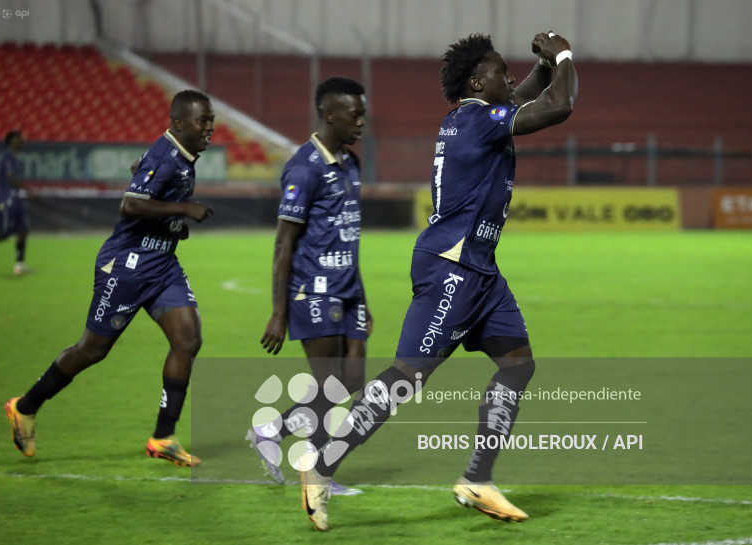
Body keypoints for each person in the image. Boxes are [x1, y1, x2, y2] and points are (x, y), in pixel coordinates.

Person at [297, 32, 578, 531]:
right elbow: (558, 106)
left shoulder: (470, 117)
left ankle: (477, 479)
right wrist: (561, 56)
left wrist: (538, 66)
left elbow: (517, 96)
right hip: (451, 267)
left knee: (517, 365)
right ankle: (320, 463)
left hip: (480, 270)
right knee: (405, 379)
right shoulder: (479, 121)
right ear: (476, 81)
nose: (509, 77)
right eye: (499, 70)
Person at [4, 90, 215, 467]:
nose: (210, 128)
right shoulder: (168, 156)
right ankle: (25, 406)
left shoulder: (179, 156)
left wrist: (172, 225)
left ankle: (162, 436)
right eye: (203, 121)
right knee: (92, 350)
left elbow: (143, 177)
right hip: (127, 266)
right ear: (180, 123)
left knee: (188, 339)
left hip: (162, 265)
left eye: (211, 121)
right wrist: (183, 208)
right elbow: (130, 204)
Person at [247, 76, 372, 496]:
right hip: (313, 290)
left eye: (363, 113)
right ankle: (318, 474)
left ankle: (272, 430)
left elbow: (346, 236)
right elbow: (284, 242)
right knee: (330, 387)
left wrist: (363, 298)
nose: (362, 121)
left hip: (349, 290)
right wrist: (279, 311)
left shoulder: (351, 163)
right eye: (355, 114)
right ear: (329, 114)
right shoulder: (304, 168)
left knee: (352, 380)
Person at [0, 130, 32, 275]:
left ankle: (19, 265)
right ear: (11, 141)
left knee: (23, 230)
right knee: (4, 234)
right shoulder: (7, 157)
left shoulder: (13, 158)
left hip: (15, 200)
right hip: (6, 200)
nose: (22, 142)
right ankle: (19, 265)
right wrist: (28, 191)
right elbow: (11, 178)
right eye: (19, 139)